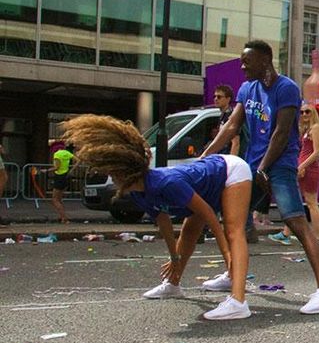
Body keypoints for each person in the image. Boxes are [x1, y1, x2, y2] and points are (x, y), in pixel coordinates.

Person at [61, 115, 253, 320]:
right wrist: (174, 258)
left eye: (113, 173)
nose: (111, 177)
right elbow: (164, 222)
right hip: (205, 184)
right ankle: (173, 284)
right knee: (188, 231)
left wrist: (227, 256)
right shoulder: (138, 192)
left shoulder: (166, 184)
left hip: (230, 170)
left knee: (233, 231)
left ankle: (238, 301)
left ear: (124, 173)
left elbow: (209, 216)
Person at [201, 40, 319, 315]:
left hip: (280, 164)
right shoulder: (246, 89)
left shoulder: (286, 88)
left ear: (265, 61)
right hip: (253, 166)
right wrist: (205, 155)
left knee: (295, 221)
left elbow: (280, 132)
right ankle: (232, 275)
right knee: (234, 221)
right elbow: (232, 126)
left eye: (246, 62)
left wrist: (264, 168)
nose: (242, 66)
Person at [270, 102, 319, 248]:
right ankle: (286, 233)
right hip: (302, 168)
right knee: (295, 200)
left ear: (313, 112)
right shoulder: (306, 130)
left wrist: (302, 165)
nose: (304, 115)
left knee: (311, 202)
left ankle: (318, 237)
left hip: (311, 169)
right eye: (301, 112)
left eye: (307, 112)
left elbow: (316, 152)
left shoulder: (316, 128)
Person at [50, 142, 74, 224]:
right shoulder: (67, 153)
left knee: (55, 199)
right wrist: (72, 170)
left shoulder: (57, 154)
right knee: (60, 199)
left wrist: (46, 170)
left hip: (59, 176)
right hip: (66, 175)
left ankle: (65, 218)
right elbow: (79, 160)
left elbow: (57, 167)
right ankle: (62, 216)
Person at [212, 84, 240, 157]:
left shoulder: (231, 116)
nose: (216, 99)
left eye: (219, 97)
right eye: (214, 96)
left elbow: (235, 143)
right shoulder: (222, 116)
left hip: (228, 158)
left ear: (228, 99)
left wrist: (232, 162)